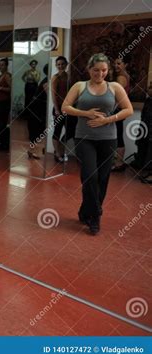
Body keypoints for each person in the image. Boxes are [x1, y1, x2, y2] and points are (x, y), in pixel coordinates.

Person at [62, 53, 133, 235]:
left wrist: (108, 119)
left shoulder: (115, 86)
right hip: (84, 138)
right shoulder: (80, 86)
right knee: (89, 176)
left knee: (102, 178)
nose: (100, 74)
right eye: (96, 70)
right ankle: (96, 215)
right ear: (89, 69)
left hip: (108, 138)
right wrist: (86, 114)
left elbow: (128, 109)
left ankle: (86, 211)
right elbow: (65, 107)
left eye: (104, 70)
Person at [51, 56, 77, 162]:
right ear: (56, 66)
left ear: (66, 65)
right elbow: (53, 95)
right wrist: (57, 110)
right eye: (58, 64)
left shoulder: (69, 77)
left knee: (72, 131)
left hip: (69, 109)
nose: (60, 66)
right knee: (57, 130)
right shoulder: (55, 78)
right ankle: (58, 153)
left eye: (62, 64)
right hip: (59, 109)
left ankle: (60, 147)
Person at [111, 55, 131, 172]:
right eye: (115, 63)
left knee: (118, 136)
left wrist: (111, 111)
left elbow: (117, 98)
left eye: (119, 63)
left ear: (125, 65)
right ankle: (118, 162)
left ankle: (119, 163)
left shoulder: (121, 78)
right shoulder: (124, 76)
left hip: (117, 110)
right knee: (117, 135)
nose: (116, 66)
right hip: (119, 110)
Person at [0, 57, 12, 151]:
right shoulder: (1, 76)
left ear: (6, 66)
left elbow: (11, 89)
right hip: (0, 101)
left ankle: (5, 144)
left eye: (2, 65)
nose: (0, 66)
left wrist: (0, 88)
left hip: (5, 102)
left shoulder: (7, 76)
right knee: (0, 123)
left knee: (3, 123)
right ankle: (2, 143)